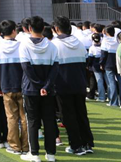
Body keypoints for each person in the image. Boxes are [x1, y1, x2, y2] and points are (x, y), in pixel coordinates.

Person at [19, 16, 59, 162]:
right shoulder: (52, 46)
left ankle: (34, 153)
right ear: (43, 28)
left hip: (31, 89)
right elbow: (55, 69)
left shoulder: (24, 45)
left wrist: (38, 86)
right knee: (49, 121)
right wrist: (45, 87)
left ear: (30, 28)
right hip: (48, 90)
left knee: (32, 121)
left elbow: (27, 69)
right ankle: (51, 154)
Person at [52, 16, 94, 155]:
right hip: (80, 84)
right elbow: (86, 62)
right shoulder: (79, 43)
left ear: (56, 29)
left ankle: (76, 145)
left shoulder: (54, 44)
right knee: (81, 114)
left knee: (68, 116)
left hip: (62, 85)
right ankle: (87, 143)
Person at [0, 20, 28, 156]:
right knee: (24, 117)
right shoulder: (22, 45)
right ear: (13, 31)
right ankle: (26, 146)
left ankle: (15, 146)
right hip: (22, 86)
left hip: (6, 86)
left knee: (11, 117)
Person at [100, 25, 120, 107]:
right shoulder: (117, 39)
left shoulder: (105, 40)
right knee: (120, 82)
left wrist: (101, 63)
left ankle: (114, 102)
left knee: (112, 83)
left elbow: (103, 54)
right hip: (118, 63)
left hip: (108, 64)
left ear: (106, 32)